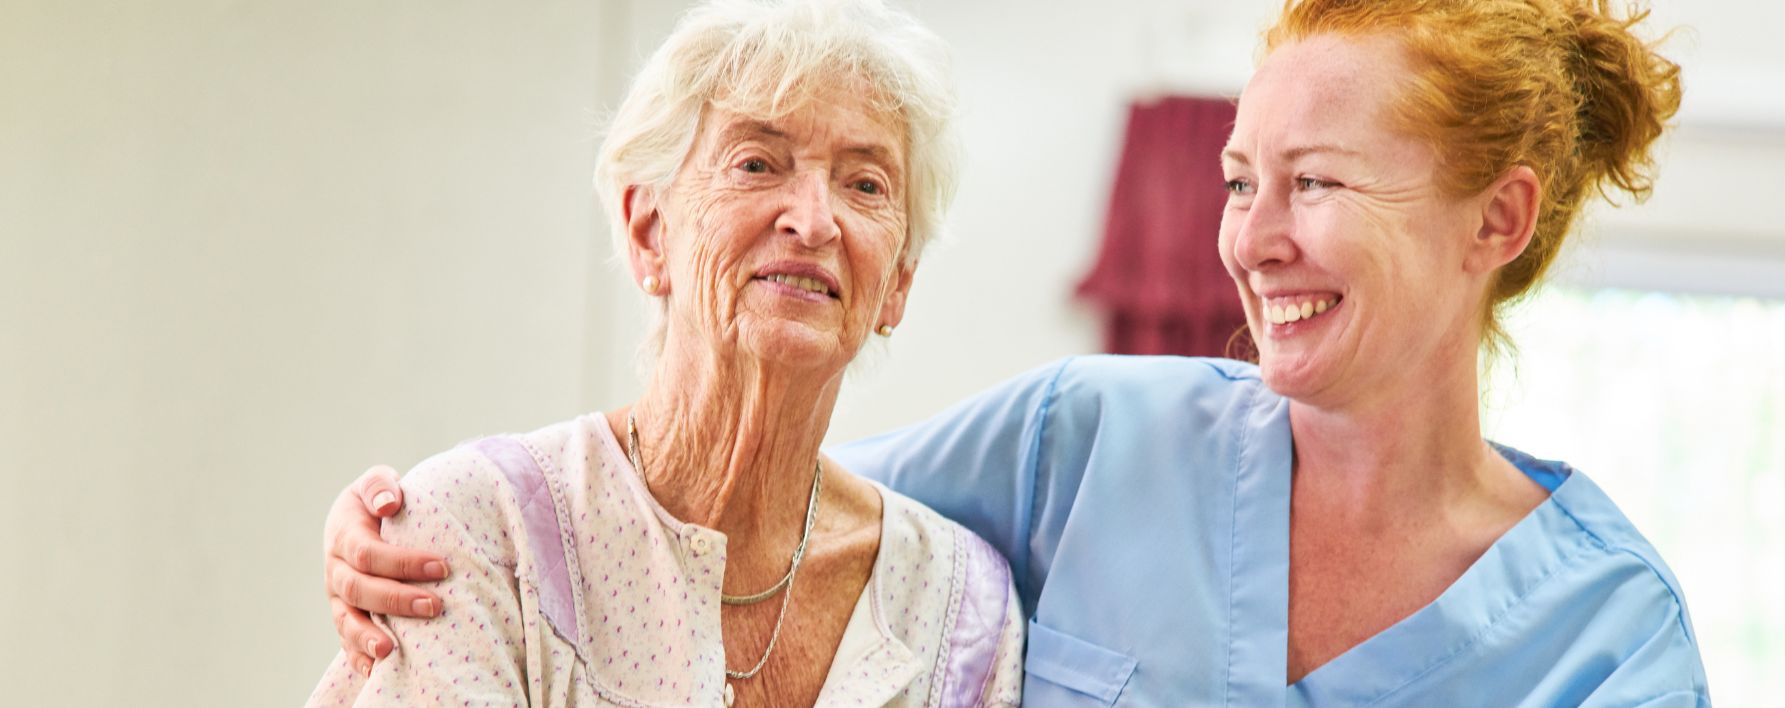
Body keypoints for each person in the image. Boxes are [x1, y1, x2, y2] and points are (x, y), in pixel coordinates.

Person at [321, 0, 1710, 703]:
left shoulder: (1602, 635)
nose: (1255, 239)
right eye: (1239, 181)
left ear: (1499, 221)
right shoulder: (1086, 443)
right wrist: (407, 528)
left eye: (1320, 186)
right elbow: (711, 509)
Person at [304, 0, 1026, 705]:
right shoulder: (477, 531)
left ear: (898, 281)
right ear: (650, 230)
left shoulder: (962, 613)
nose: (813, 221)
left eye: (864, 183)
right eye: (756, 164)